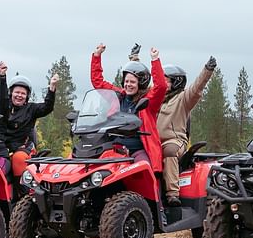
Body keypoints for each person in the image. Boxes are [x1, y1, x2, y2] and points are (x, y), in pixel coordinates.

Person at [90, 43, 167, 170]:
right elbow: (98, 82)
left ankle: (150, 189)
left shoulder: (148, 101)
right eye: (126, 81)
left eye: (132, 82)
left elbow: (161, 87)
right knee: (96, 170)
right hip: (115, 150)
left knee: (143, 169)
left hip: (138, 151)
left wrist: (155, 60)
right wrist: (97, 56)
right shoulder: (117, 97)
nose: (128, 85)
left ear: (140, 83)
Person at [157, 57, 216, 206]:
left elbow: (197, 88)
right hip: (155, 142)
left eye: (167, 80)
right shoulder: (156, 99)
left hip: (175, 141)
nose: (162, 82)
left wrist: (207, 70)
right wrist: (134, 59)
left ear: (176, 82)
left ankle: (172, 194)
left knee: (169, 151)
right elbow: (138, 86)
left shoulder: (183, 99)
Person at [2, 68, 59, 177]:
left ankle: (24, 191)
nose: (19, 95)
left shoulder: (31, 109)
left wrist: (52, 88)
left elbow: (47, 107)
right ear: (11, 93)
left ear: (27, 96)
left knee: (18, 159)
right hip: (3, 146)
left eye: (23, 93)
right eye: (17, 92)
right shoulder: (3, 108)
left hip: (23, 146)